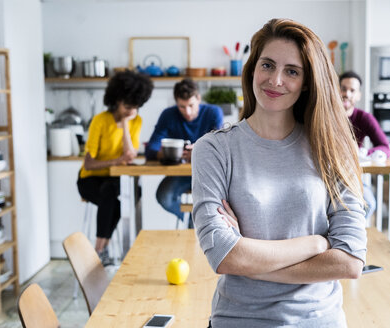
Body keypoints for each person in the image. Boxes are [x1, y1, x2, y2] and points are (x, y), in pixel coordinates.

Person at [192, 18, 367, 327]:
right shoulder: (214, 149)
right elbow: (224, 256)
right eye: (268, 65)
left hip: (319, 321)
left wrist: (248, 258)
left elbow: (350, 261)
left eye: (292, 71)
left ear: (308, 82)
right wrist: (317, 243)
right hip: (239, 319)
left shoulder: (334, 149)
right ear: (252, 69)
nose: (275, 80)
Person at [77, 70, 153, 266]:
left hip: (114, 179)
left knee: (131, 194)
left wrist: (126, 123)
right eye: (127, 106)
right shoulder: (100, 120)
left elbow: (130, 155)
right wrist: (117, 161)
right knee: (110, 196)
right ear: (116, 100)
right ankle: (101, 250)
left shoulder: (136, 120)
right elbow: (89, 164)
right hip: (90, 178)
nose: (130, 110)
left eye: (134, 107)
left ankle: (101, 250)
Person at [145, 78, 223, 228]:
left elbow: (220, 148)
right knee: (164, 197)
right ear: (175, 102)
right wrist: (170, 153)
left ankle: (201, 227)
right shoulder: (168, 115)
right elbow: (151, 149)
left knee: (218, 203)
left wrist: (199, 150)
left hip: (208, 175)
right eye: (181, 107)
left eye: (191, 105)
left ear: (199, 99)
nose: (187, 112)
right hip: (180, 174)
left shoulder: (213, 113)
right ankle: (193, 225)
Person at [339, 71, 390, 220]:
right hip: (327, 175)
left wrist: (364, 152)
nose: (347, 94)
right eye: (343, 88)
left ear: (358, 95)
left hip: (353, 175)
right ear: (336, 90)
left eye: (352, 90)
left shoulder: (364, 118)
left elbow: (385, 147)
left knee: (369, 203)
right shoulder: (326, 116)